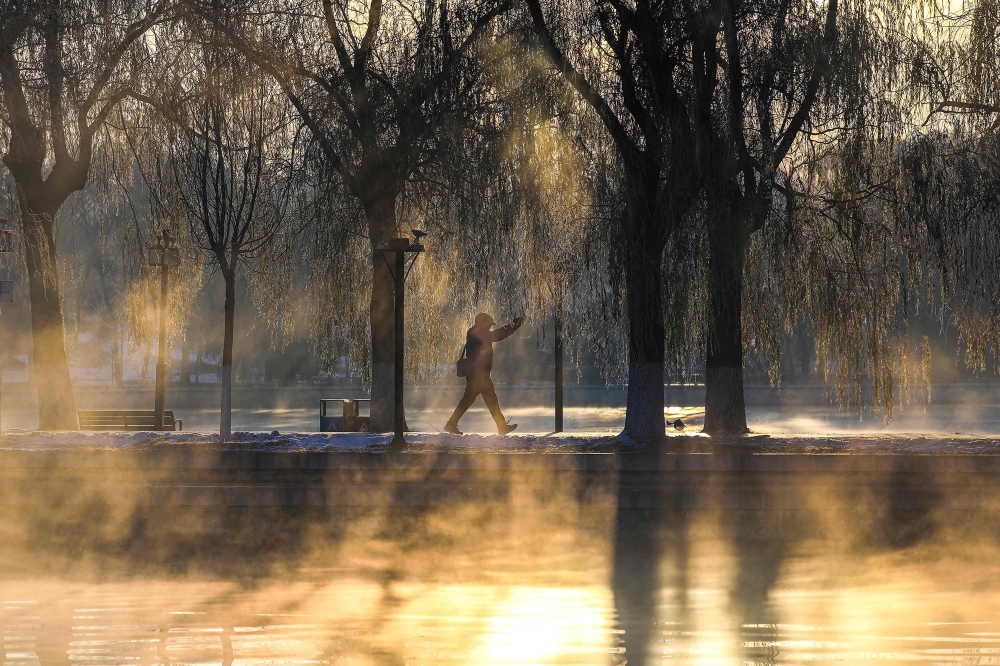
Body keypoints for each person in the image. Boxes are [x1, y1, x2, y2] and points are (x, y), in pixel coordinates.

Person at [444, 313, 524, 435]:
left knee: (476, 400)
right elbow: (495, 336)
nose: (490, 327)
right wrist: (512, 326)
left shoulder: (474, 332)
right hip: (479, 374)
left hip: (479, 373)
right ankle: (501, 426)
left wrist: (512, 327)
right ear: (482, 323)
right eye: (489, 325)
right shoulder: (477, 333)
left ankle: (451, 424)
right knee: (486, 400)